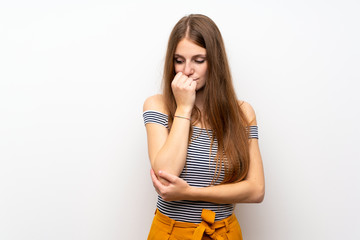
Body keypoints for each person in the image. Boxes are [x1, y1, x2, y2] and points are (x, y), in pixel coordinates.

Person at [143, 14, 265, 240]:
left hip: (224, 233)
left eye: (198, 60)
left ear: (214, 62)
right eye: (179, 60)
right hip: (171, 233)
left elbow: (256, 190)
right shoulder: (158, 105)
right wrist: (184, 108)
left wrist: (189, 192)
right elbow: (166, 175)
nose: (187, 70)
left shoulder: (243, 113)